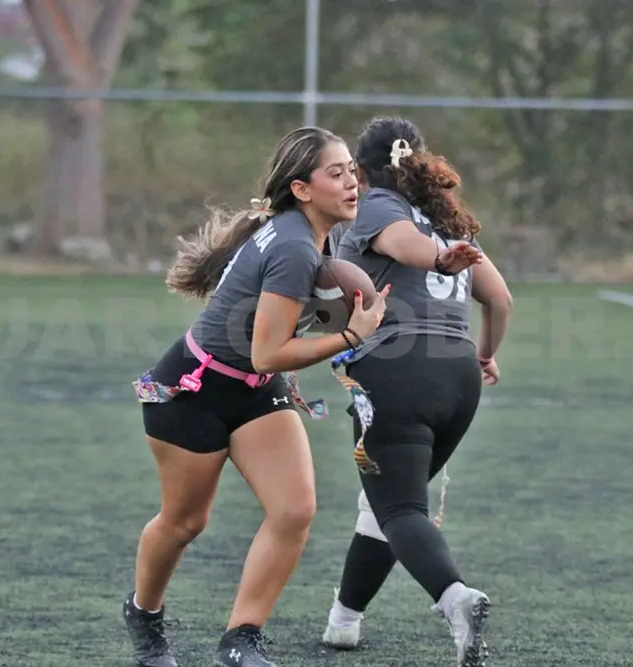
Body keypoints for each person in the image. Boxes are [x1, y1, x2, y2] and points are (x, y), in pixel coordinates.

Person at [122, 126, 390, 667]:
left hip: (252, 389)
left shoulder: (316, 233)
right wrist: (351, 335)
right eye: (334, 173)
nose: (351, 182)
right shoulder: (294, 245)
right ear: (302, 190)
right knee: (184, 523)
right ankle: (144, 617)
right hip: (192, 389)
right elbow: (269, 353)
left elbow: (263, 362)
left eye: (352, 171)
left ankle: (240, 641)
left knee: (293, 510)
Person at [318, 116, 513, 667]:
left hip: (400, 368)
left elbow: (403, 246)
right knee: (382, 505)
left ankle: (456, 599)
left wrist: (437, 258)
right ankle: (343, 621)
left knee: (400, 507)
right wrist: (484, 353)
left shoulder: (379, 204)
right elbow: (500, 300)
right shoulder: (448, 217)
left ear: (360, 169)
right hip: (459, 375)